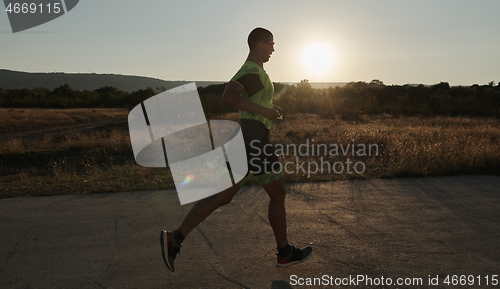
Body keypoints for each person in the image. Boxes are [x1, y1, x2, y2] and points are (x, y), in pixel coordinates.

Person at [161, 27, 312, 272]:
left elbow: (243, 101)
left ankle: (175, 238)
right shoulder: (252, 70)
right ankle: (284, 253)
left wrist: (266, 109)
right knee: (277, 194)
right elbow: (228, 97)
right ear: (261, 43)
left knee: (224, 195)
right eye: (272, 43)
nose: (274, 48)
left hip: (246, 136)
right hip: (253, 139)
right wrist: (263, 111)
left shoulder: (255, 71)